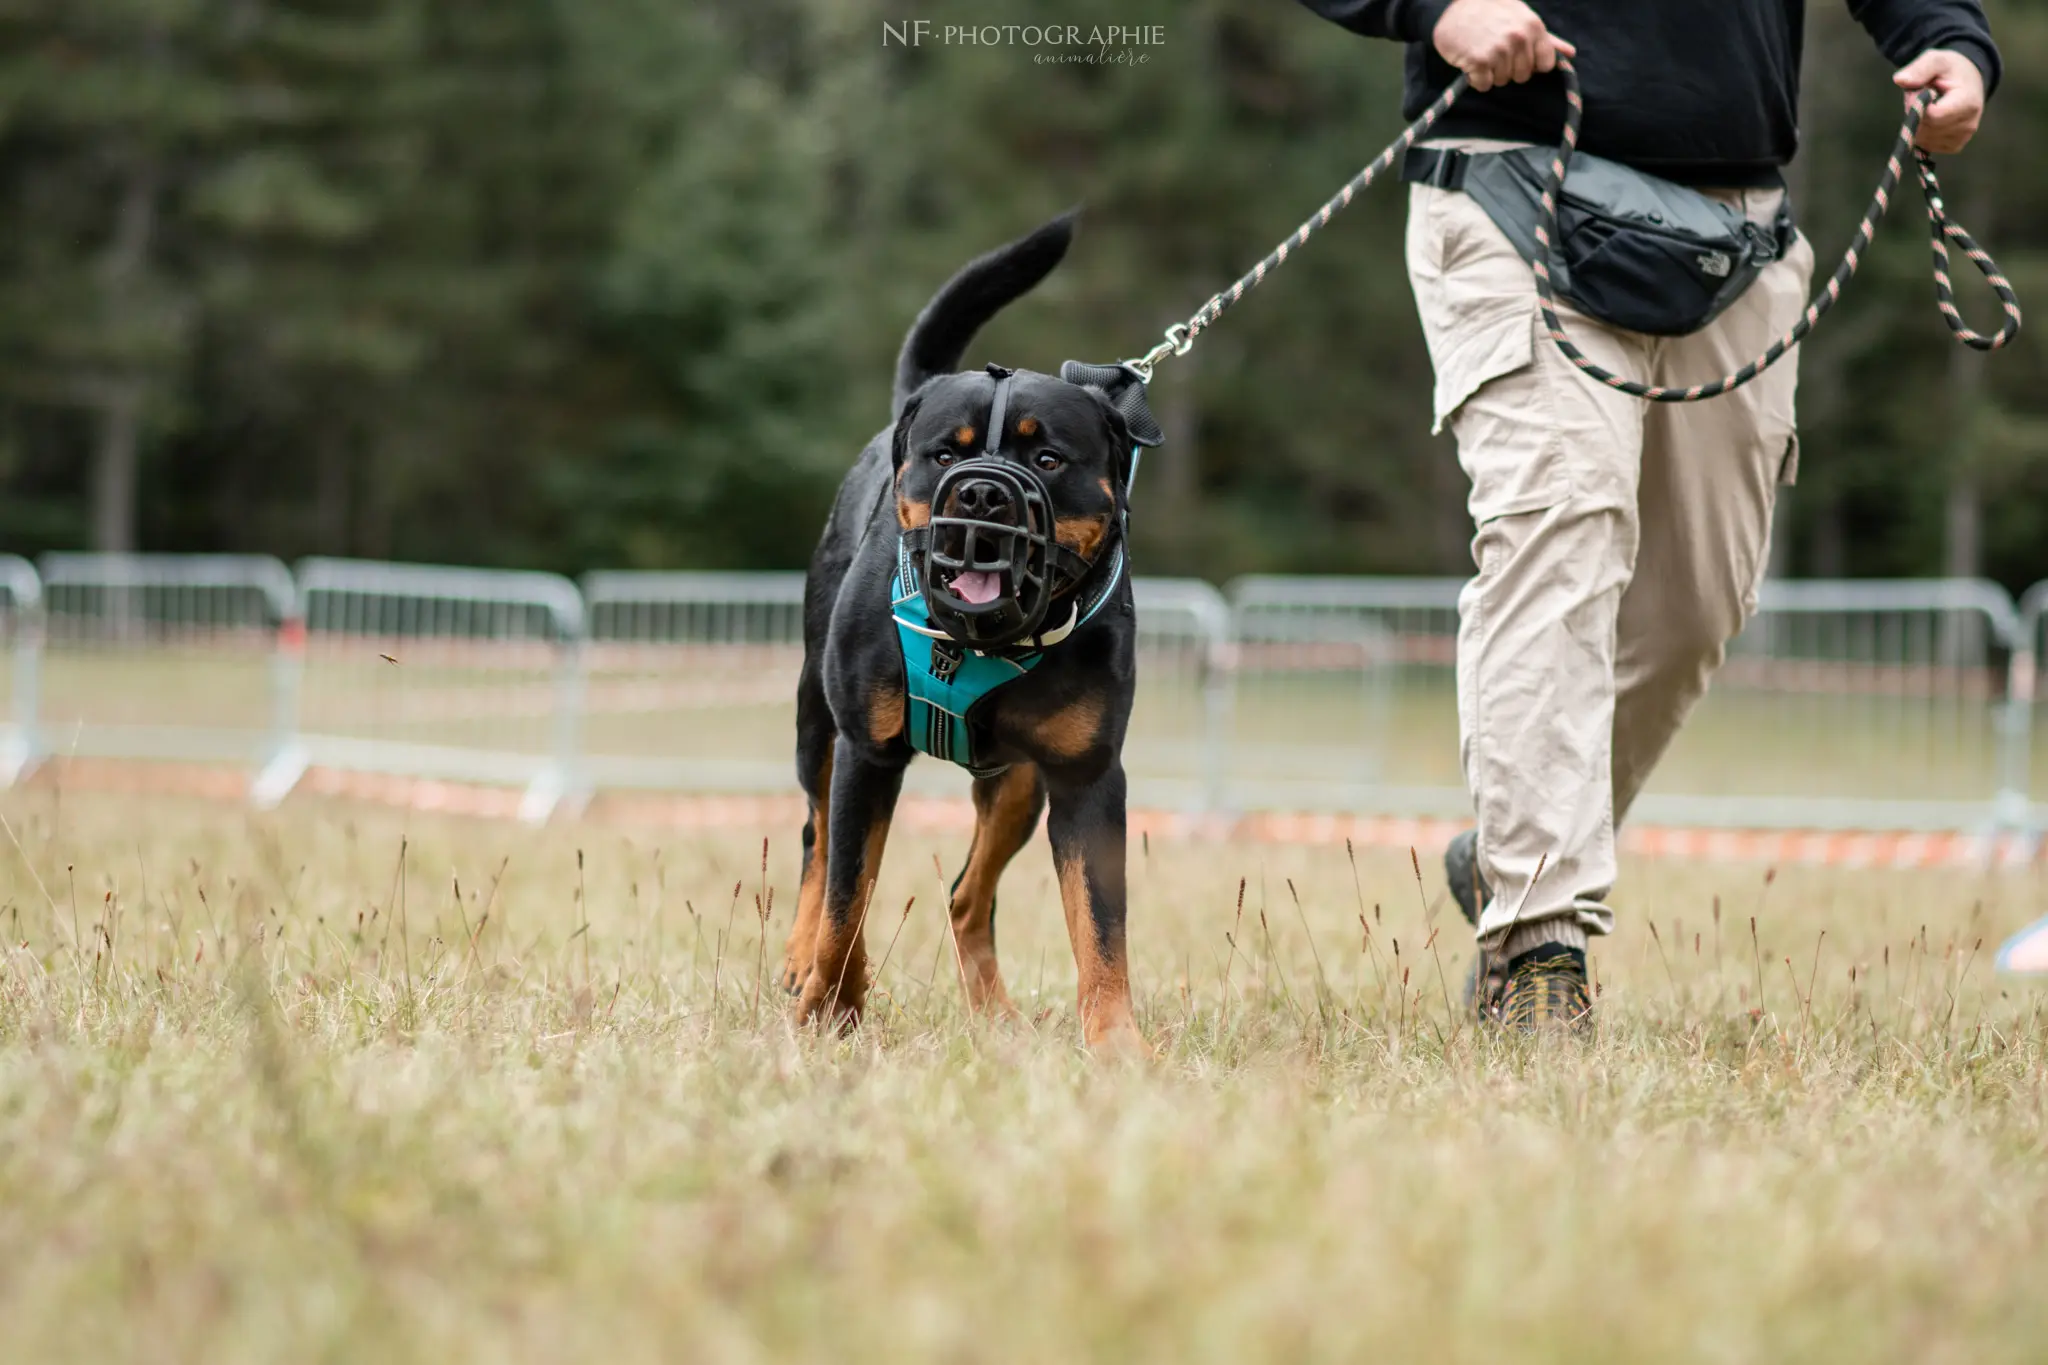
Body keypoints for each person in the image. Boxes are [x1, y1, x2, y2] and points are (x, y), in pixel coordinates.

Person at [1295, 0, 2000, 1028]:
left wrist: (1948, 41)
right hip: (1509, 187)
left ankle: (1503, 851)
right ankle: (1537, 949)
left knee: (1693, 606)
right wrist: (1437, 10)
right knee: (1560, 532)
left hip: (1736, 233)